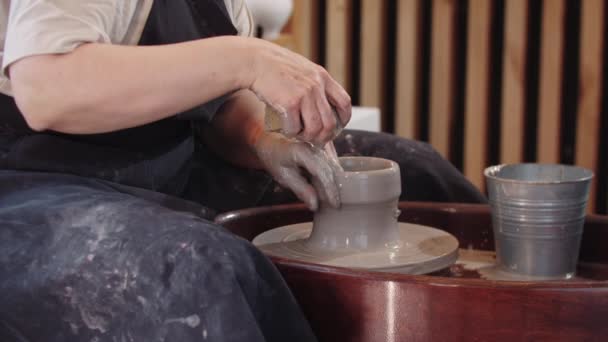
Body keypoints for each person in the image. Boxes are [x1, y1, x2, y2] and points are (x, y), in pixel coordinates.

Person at [0, 1, 485, 341]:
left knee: (421, 172)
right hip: (32, 185)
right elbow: (47, 89)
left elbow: (213, 100)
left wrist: (263, 139)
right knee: (201, 265)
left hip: (165, 162)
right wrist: (246, 58)